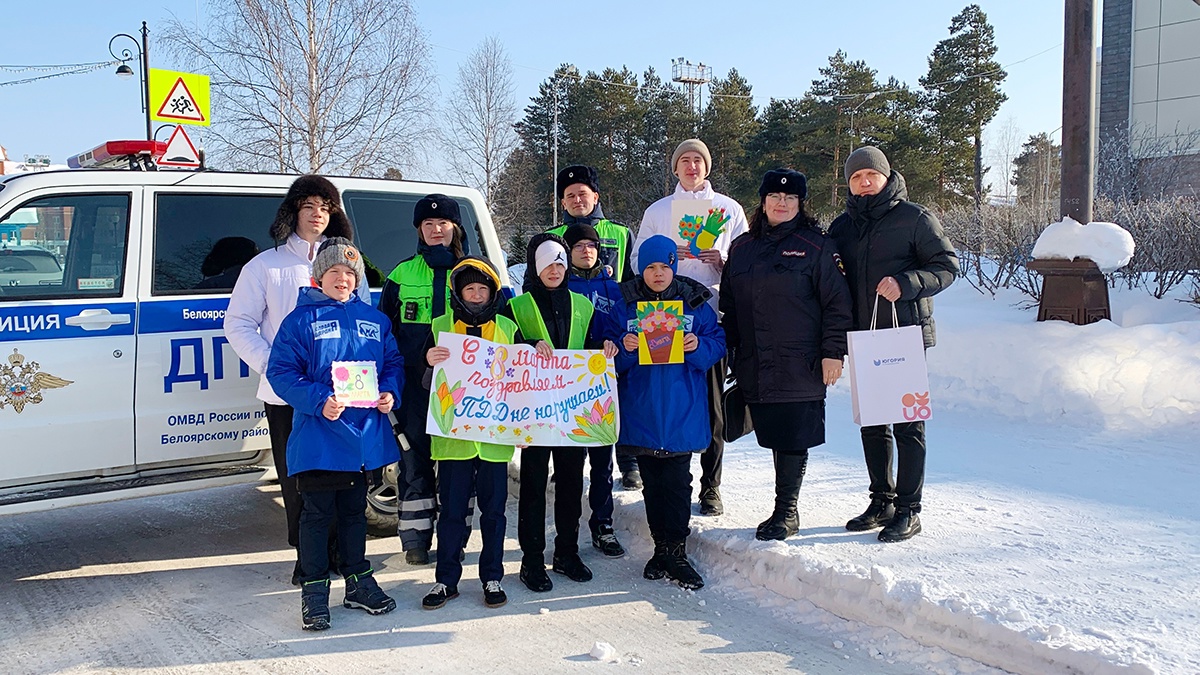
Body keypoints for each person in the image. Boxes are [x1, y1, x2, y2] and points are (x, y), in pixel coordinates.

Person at [225, 175, 367, 585]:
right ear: (292, 212)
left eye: (325, 206)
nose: (317, 214)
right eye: (309, 205)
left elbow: (362, 324)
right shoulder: (266, 266)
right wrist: (276, 366)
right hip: (289, 394)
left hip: (342, 394)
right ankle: (309, 561)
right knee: (298, 477)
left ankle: (342, 554)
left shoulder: (350, 263)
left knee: (343, 473)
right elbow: (238, 324)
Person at [265, 238, 401, 631]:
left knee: (355, 515)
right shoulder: (299, 320)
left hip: (362, 439)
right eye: (334, 272)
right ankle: (314, 591)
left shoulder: (374, 320)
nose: (342, 279)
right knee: (317, 517)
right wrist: (319, 399)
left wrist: (391, 391)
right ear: (318, 277)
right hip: (320, 440)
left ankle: (358, 582)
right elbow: (281, 373)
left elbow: (391, 362)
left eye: (349, 273)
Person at [828, 146, 959, 543]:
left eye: (871, 175)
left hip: (903, 335)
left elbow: (947, 266)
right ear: (848, 183)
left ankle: (909, 509)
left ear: (886, 177)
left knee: (907, 423)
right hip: (864, 337)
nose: (864, 183)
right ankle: (881, 501)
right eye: (856, 178)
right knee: (872, 423)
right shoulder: (842, 227)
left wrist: (906, 283)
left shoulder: (915, 218)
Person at [721, 169, 853, 541]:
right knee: (773, 433)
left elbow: (837, 304)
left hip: (800, 361)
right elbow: (729, 304)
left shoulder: (817, 247)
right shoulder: (742, 247)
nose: (782, 203)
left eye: (790, 198)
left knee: (793, 436)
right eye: (775, 197)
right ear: (763, 202)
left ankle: (786, 511)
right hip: (754, 361)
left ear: (800, 203)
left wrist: (833, 353)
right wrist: (729, 349)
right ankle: (782, 507)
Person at [633, 139, 749, 517]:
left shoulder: (729, 209)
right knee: (664, 400)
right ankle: (655, 467)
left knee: (712, 406)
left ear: (708, 166)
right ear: (675, 168)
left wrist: (724, 260)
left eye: (698, 159)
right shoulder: (659, 210)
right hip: (660, 320)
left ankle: (711, 486)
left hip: (709, 316)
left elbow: (747, 263)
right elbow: (637, 260)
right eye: (684, 160)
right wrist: (663, 260)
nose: (691, 166)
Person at [506, 233, 620, 593]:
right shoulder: (516, 305)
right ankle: (532, 559)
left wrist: (605, 346)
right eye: (547, 264)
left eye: (560, 263)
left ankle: (567, 553)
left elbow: (590, 347)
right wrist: (524, 345)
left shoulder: (583, 305)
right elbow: (501, 350)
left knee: (571, 484)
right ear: (536, 268)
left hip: (572, 411)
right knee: (535, 487)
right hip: (534, 412)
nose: (554, 270)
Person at [613, 235, 725, 590]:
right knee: (653, 486)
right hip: (643, 408)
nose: (658, 273)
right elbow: (607, 355)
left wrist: (698, 345)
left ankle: (677, 550)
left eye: (664, 266)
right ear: (640, 269)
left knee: (677, 485)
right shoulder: (625, 304)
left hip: (681, 409)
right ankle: (661, 549)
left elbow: (719, 342)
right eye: (650, 267)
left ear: (673, 266)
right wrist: (624, 347)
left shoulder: (694, 302)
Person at [420, 257, 520, 610]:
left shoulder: (509, 328)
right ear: (458, 292)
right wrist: (429, 363)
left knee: (494, 512)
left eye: (483, 289)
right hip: (454, 442)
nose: (476, 295)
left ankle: (492, 575)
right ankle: (446, 580)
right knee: (451, 513)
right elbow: (423, 383)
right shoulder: (439, 327)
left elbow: (525, 383)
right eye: (469, 288)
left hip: (494, 441)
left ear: (492, 293)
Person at [379, 194, 468, 565]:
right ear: (419, 229)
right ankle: (415, 539)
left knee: (457, 465)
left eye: (443, 224)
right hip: (414, 388)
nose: (435, 230)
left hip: (462, 389)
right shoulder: (401, 274)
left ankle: (456, 536)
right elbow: (385, 334)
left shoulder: (475, 272)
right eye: (428, 225)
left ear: (455, 229)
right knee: (413, 462)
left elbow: (500, 329)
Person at [562, 224, 627, 559]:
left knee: (603, 462)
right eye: (579, 246)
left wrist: (615, 344)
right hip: (569, 386)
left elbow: (625, 327)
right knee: (571, 465)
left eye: (592, 245)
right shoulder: (561, 284)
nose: (586, 251)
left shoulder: (614, 288)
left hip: (603, 384)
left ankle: (603, 525)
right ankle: (567, 528)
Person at [548, 164, 635, 283]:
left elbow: (634, 280)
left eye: (582, 194)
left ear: (595, 197)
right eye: (570, 196)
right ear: (563, 203)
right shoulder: (551, 237)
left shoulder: (622, 234)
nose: (577, 200)